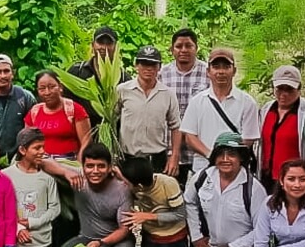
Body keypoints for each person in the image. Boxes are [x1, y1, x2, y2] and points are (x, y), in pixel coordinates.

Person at [184, 132, 267, 247]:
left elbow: (261, 230)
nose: (225, 159)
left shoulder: (254, 188)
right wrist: (196, 236)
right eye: (221, 154)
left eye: (232, 154)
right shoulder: (202, 178)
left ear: (241, 158)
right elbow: (189, 202)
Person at [52, 143, 136, 247]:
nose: (95, 171)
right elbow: (43, 162)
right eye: (90, 166)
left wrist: (100, 243)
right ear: (83, 167)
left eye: (101, 166)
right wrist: (65, 172)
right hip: (85, 238)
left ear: (110, 168)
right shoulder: (78, 178)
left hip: (114, 241)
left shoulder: (122, 189)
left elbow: (124, 229)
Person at [180, 48, 260, 173]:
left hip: (235, 171)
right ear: (208, 72)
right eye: (216, 67)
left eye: (226, 67)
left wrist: (227, 159)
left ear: (234, 71)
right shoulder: (197, 101)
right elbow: (190, 136)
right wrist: (211, 155)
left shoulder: (247, 102)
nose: (221, 72)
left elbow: (248, 139)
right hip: (203, 168)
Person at [121, 157, 190, 247]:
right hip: (152, 239)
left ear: (139, 186)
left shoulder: (168, 184)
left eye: (125, 182)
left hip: (176, 239)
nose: (123, 184)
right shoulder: (134, 186)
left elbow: (181, 214)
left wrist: (148, 216)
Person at [116, 45, 182, 178]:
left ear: (159, 67)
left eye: (152, 64)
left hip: (156, 159)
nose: (148, 68)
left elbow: (175, 126)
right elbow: (112, 119)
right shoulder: (122, 90)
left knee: (156, 197)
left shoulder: (167, 94)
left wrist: (174, 156)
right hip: (128, 158)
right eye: (144, 64)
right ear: (136, 65)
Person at [2, 129, 60, 247]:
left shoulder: (47, 178)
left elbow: (55, 208)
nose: (42, 151)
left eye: (43, 147)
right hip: (14, 240)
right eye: (37, 148)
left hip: (41, 240)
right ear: (22, 149)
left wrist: (32, 222)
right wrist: (18, 228)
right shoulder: (6, 176)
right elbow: (0, 208)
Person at [159, 28, 210, 185]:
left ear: (196, 48)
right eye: (179, 46)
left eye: (189, 46)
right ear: (172, 49)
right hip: (168, 147)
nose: (184, 50)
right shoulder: (162, 74)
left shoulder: (208, 73)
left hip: (199, 149)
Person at [257, 65, 305, 189]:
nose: (284, 94)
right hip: (266, 178)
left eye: (289, 89)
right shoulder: (266, 109)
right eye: (280, 89)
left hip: (294, 182)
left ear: (299, 89)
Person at [65, 26, 132, 126]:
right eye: (100, 42)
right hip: (83, 135)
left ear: (116, 47)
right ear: (93, 45)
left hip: (114, 136)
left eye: (109, 43)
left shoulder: (123, 78)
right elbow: (64, 103)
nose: (104, 47)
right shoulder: (77, 72)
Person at [0, 54, 37, 158]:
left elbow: (35, 129)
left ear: (12, 73)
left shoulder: (25, 98)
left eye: (6, 71)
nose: (3, 76)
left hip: (19, 158)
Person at [27, 70, 92, 160]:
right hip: (42, 162)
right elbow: (27, 141)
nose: (47, 92)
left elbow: (86, 140)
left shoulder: (74, 109)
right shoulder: (34, 111)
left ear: (60, 87)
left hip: (69, 160)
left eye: (52, 87)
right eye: (42, 89)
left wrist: (80, 162)